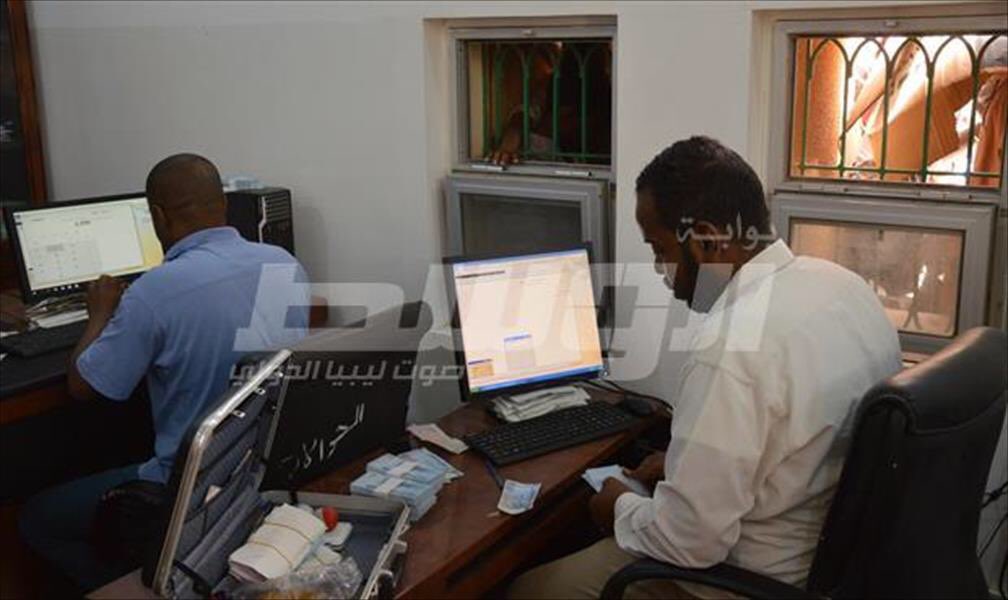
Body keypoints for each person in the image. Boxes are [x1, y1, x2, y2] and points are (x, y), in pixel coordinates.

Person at [508, 136, 902, 599]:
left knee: (533, 589)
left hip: (744, 582)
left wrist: (616, 505)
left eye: (660, 250)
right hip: (837, 563)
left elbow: (687, 543)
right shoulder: (844, 287)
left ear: (707, 241)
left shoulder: (731, 346)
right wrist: (683, 467)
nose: (660, 270)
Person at [19, 153, 310, 592]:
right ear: (223, 204)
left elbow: (83, 386)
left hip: (187, 485)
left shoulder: (156, 290)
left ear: (157, 216)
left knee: (37, 518)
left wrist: (99, 314)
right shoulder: (285, 264)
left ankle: (139, 587)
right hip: (258, 466)